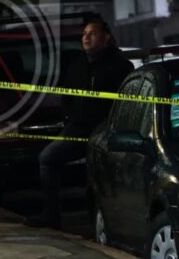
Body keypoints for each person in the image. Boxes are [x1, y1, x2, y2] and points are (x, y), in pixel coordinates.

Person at [24, 14, 133, 229]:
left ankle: (111, 222)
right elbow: (68, 95)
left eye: (92, 34)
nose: (86, 38)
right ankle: (51, 214)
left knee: (104, 172)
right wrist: (72, 116)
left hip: (106, 130)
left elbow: (126, 102)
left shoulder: (120, 66)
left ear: (106, 38)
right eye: (84, 34)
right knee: (47, 158)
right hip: (78, 127)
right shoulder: (77, 64)